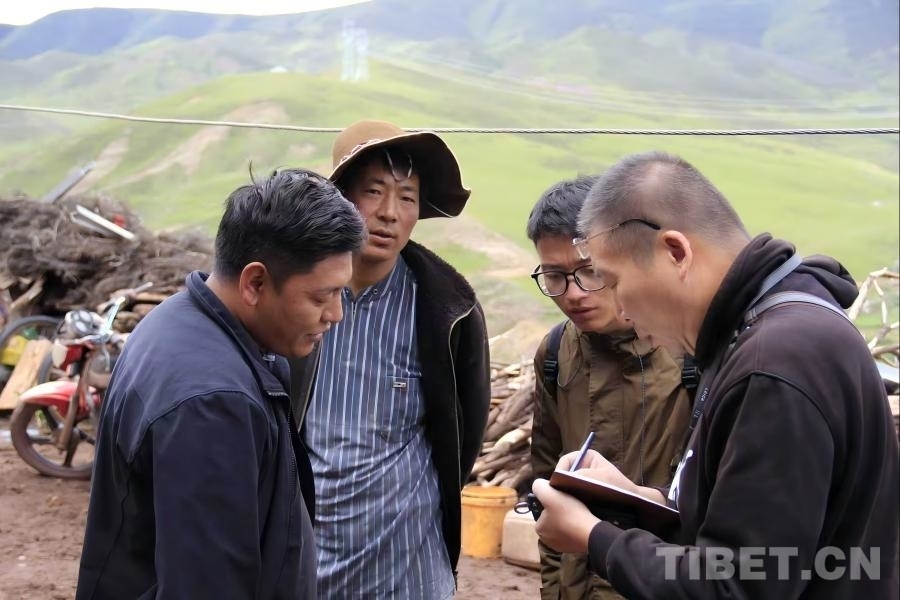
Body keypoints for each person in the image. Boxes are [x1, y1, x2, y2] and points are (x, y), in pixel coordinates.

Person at [532, 151, 900, 599]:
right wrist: (636, 502)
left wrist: (596, 538)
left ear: (676, 253)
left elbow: (737, 585)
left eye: (612, 280)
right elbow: (757, 539)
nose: (621, 309)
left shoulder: (775, 363)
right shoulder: (761, 334)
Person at [76, 169, 366, 599]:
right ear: (255, 283)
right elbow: (209, 585)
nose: (336, 315)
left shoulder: (176, 322)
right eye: (321, 296)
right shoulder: (212, 402)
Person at [289, 120, 491, 598]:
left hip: (407, 565)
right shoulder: (292, 299)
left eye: (407, 197)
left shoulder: (447, 310)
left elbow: (463, 435)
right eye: (373, 192)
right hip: (306, 555)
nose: (388, 213)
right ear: (340, 198)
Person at [526, 175, 691, 599]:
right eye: (555, 276)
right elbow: (546, 484)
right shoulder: (556, 353)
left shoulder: (689, 353)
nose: (573, 294)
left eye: (589, 272)